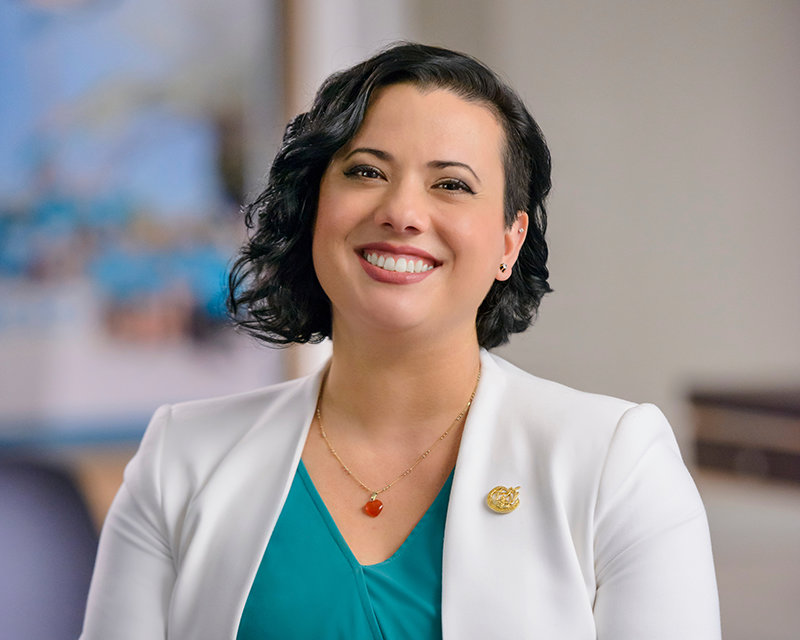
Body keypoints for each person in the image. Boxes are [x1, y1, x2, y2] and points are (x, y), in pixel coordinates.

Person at [80, 43, 720, 639]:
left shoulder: (616, 464)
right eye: (366, 171)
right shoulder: (179, 459)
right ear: (314, 210)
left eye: (452, 184)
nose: (402, 213)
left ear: (509, 241)